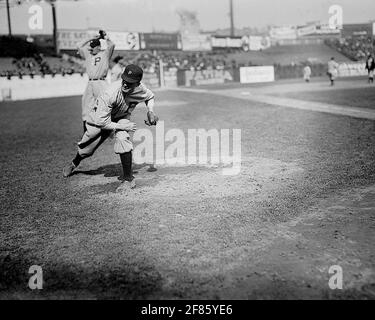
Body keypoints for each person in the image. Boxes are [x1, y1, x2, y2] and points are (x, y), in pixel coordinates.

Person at [62, 64, 159, 192]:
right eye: (124, 80)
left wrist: (150, 111)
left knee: (122, 138)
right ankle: (74, 163)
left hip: (121, 116)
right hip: (99, 118)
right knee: (87, 147)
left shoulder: (140, 89)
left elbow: (150, 96)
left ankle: (128, 179)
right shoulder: (110, 92)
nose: (125, 84)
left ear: (137, 83)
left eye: (130, 83)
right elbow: (102, 121)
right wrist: (121, 125)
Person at [78, 30, 115, 132]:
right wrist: (91, 38)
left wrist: (105, 37)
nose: (90, 48)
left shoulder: (105, 54)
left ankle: (110, 128)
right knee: (86, 104)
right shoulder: (88, 54)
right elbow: (79, 46)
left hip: (101, 82)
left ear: (99, 47)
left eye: (93, 46)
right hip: (90, 82)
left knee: (106, 104)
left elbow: (112, 45)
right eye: (90, 46)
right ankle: (86, 129)